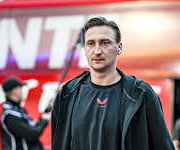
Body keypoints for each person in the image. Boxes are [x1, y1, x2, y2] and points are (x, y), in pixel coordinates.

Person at [51, 16, 175, 150]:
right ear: (85, 49)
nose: (97, 51)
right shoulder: (67, 94)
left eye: (105, 43)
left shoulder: (142, 94)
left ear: (119, 47)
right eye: (91, 43)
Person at [0, 76, 52, 150]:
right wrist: (44, 121)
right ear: (15, 91)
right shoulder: (10, 115)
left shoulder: (18, 110)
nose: (22, 92)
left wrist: (48, 108)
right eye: (20, 89)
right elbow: (32, 134)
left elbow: (33, 126)